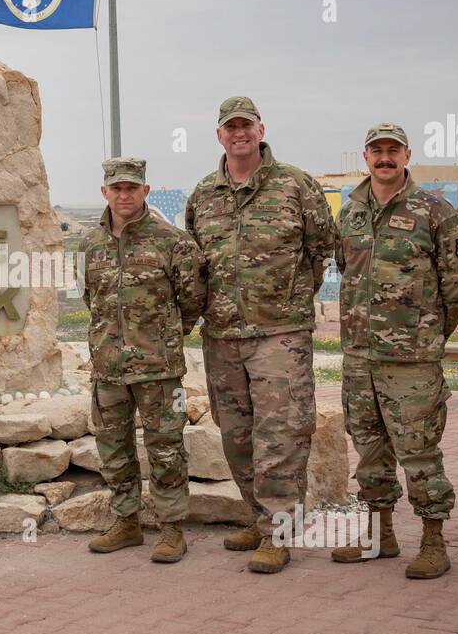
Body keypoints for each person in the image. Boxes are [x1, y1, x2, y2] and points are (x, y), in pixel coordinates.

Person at [185, 96, 336, 573]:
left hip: (280, 334)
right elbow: (194, 265)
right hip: (222, 335)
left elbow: (321, 248)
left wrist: (289, 298)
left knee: (281, 433)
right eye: (230, 127)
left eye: (246, 125)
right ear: (219, 135)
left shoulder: (295, 185)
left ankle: (280, 530)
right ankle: (257, 516)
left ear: (261, 129)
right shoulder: (203, 194)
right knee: (236, 434)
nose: (239, 133)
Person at [329, 123, 458, 578]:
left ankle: (434, 542)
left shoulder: (435, 212)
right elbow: (344, 269)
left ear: (407, 155)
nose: (385, 158)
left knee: (419, 451)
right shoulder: (350, 213)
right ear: (366, 156)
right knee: (369, 451)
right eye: (377, 151)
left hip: (412, 362)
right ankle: (379, 537)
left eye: (393, 150)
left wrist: (430, 332)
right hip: (359, 358)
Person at [80, 158, 207, 563]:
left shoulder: (173, 242)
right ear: (104, 193)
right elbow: (91, 299)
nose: (124, 195)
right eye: (116, 188)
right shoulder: (90, 245)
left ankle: (171, 529)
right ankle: (127, 523)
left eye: (132, 188)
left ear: (145, 191)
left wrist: (162, 337)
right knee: (113, 448)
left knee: (165, 449)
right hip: (108, 368)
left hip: (159, 369)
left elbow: (192, 301)